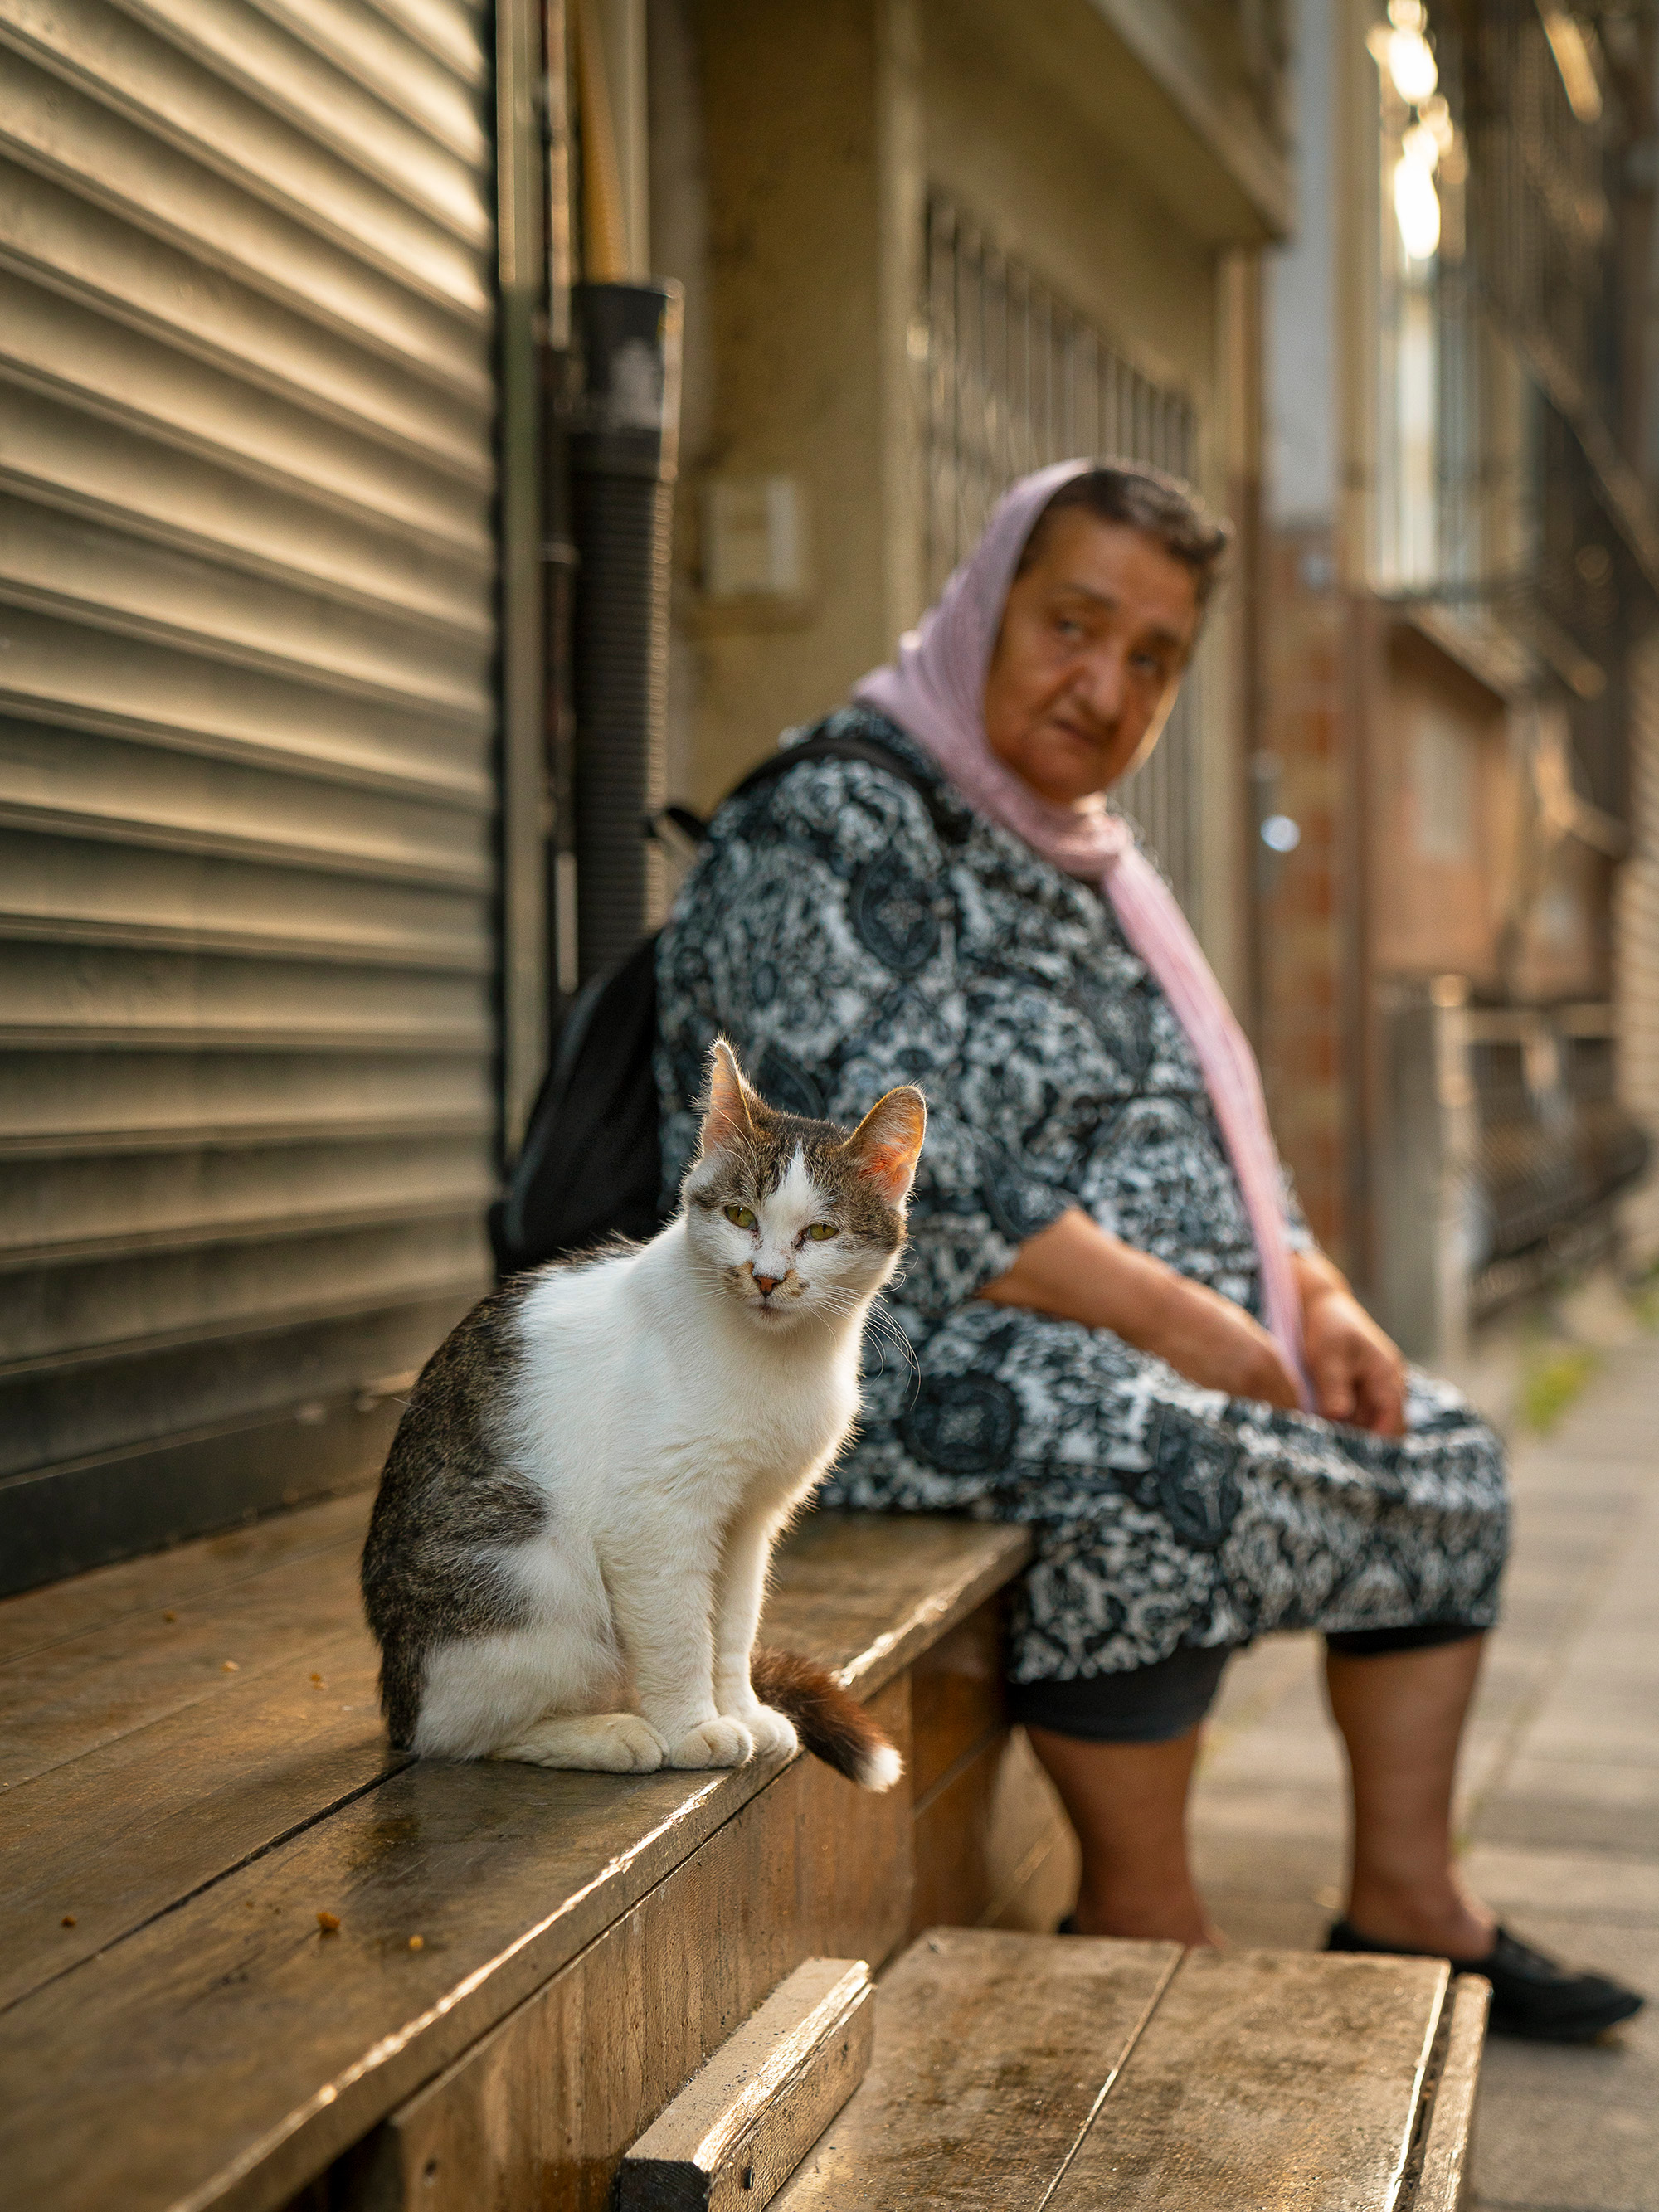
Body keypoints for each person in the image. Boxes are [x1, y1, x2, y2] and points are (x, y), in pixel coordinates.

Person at [655, 460, 1642, 2042]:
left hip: (1127, 1328)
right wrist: (1188, 1325)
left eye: (1152, 658)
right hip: (863, 1344)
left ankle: (1409, 1902)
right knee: (1148, 1447)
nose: (1103, 684)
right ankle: (1139, 1910)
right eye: (1072, 625)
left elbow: (1211, 1120)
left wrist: (1317, 1299)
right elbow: (878, 1184)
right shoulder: (836, 820)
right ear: (987, 604)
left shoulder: (1082, 853)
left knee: (1439, 1444)